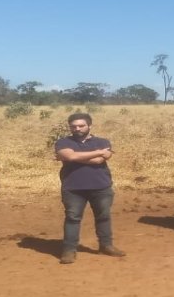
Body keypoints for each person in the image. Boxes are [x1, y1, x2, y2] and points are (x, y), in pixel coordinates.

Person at [54, 113, 126, 264]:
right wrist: (99, 152)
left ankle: (106, 245)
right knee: (72, 218)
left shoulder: (102, 141)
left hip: (101, 186)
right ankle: (69, 250)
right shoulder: (63, 142)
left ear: (89, 126)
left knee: (103, 216)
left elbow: (97, 161)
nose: (77, 129)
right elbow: (76, 157)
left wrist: (73, 156)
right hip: (73, 188)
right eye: (73, 126)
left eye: (81, 126)